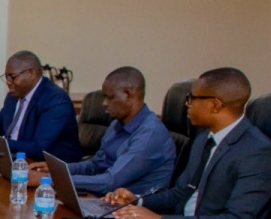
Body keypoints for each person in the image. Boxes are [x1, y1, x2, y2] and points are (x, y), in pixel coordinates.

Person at [105, 67, 271, 219]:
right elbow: (181, 193)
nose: (187, 104)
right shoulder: (204, 140)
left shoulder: (258, 153)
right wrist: (137, 202)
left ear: (215, 105)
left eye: (192, 98)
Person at [27, 67, 174, 194]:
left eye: (109, 98)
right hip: (104, 200)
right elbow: (95, 165)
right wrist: (57, 169)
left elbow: (110, 181)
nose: (104, 103)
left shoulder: (149, 135)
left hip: (133, 214)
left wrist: (48, 180)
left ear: (128, 95)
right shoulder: (117, 124)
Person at [0, 50, 83, 162]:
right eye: (6, 77)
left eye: (12, 77)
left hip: (49, 172)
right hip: (15, 162)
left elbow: (39, 149)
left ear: (32, 74)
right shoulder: (13, 96)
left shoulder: (55, 100)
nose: (8, 82)